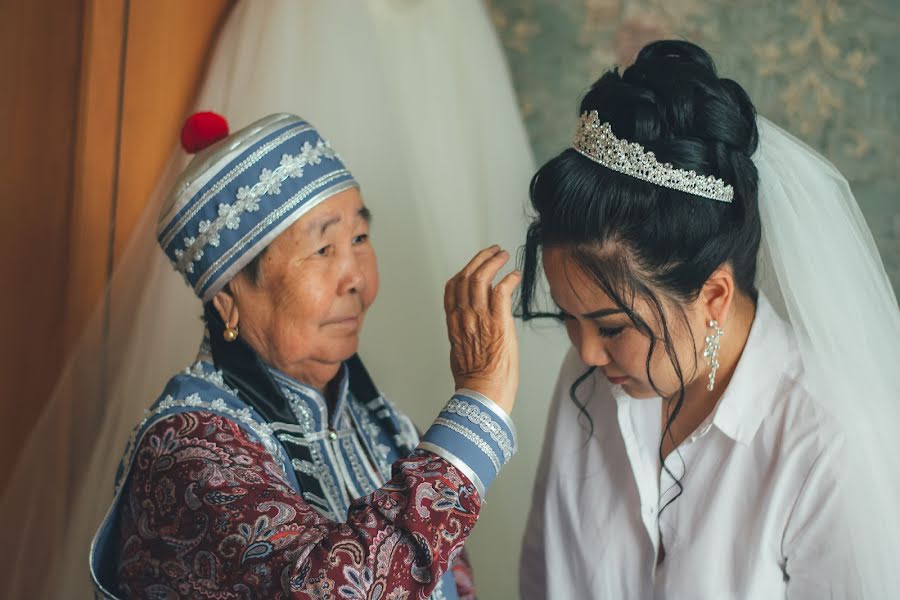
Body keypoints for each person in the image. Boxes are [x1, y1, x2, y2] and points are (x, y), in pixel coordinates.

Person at [518, 40, 900, 598]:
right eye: (569, 319)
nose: (588, 353)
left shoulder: (827, 443)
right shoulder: (591, 382)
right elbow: (541, 574)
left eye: (612, 327)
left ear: (714, 295)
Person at [90, 112, 521, 600]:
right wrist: (476, 411)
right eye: (321, 250)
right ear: (228, 297)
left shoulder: (378, 424)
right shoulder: (189, 452)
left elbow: (449, 577)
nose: (355, 277)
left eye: (359, 239)